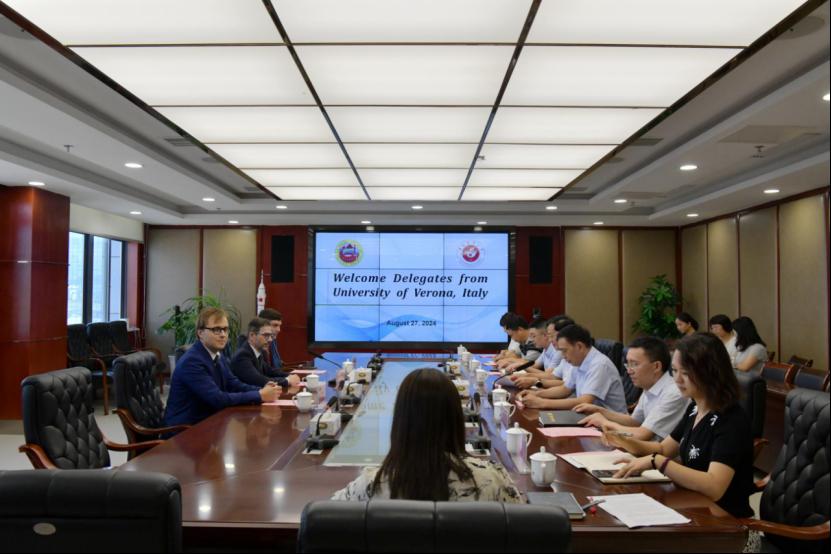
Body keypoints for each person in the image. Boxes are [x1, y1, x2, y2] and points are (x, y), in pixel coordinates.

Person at [605, 333, 754, 520]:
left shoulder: (731, 419)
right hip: (693, 506)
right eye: (675, 371)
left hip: (727, 522)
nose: (677, 379)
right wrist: (623, 440)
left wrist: (658, 461)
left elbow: (714, 487)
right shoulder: (695, 407)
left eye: (685, 373)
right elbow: (663, 449)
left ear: (710, 372)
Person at [332, 368, 522, 503]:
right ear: (456, 418)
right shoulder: (492, 479)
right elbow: (524, 528)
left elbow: (326, 520)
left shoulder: (372, 483)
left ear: (401, 421)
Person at [162, 307, 281, 427]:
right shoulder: (192, 362)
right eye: (216, 330)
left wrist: (262, 390)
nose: (223, 335)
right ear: (200, 333)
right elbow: (217, 399)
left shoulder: (217, 355)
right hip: (184, 430)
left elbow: (233, 384)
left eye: (225, 329)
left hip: (209, 423)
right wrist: (259, 395)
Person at [575, 337, 689, 441]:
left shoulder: (673, 393)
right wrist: (598, 410)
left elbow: (642, 434)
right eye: (627, 364)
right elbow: (634, 421)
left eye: (634, 364)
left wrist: (604, 422)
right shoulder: (650, 386)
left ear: (656, 366)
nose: (629, 371)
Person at [516, 324, 628, 413]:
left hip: (611, 425)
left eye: (564, 351)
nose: (563, 356)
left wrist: (542, 402)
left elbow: (585, 401)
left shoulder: (599, 365)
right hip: (588, 417)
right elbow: (565, 389)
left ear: (579, 346)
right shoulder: (580, 360)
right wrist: (536, 394)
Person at [231, 317, 300, 388]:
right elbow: (259, 380)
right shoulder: (242, 355)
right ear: (252, 335)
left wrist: (290, 375)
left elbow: (270, 371)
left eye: (270, 336)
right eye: (266, 335)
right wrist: (287, 380)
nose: (270, 340)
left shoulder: (258, 352)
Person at [509, 316, 574, 389]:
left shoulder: (559, 352)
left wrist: (534, 381)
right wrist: (523, 369)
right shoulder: (550, 350)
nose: (550, 339)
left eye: (534, 336)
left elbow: (561, 383)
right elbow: (553, 376)